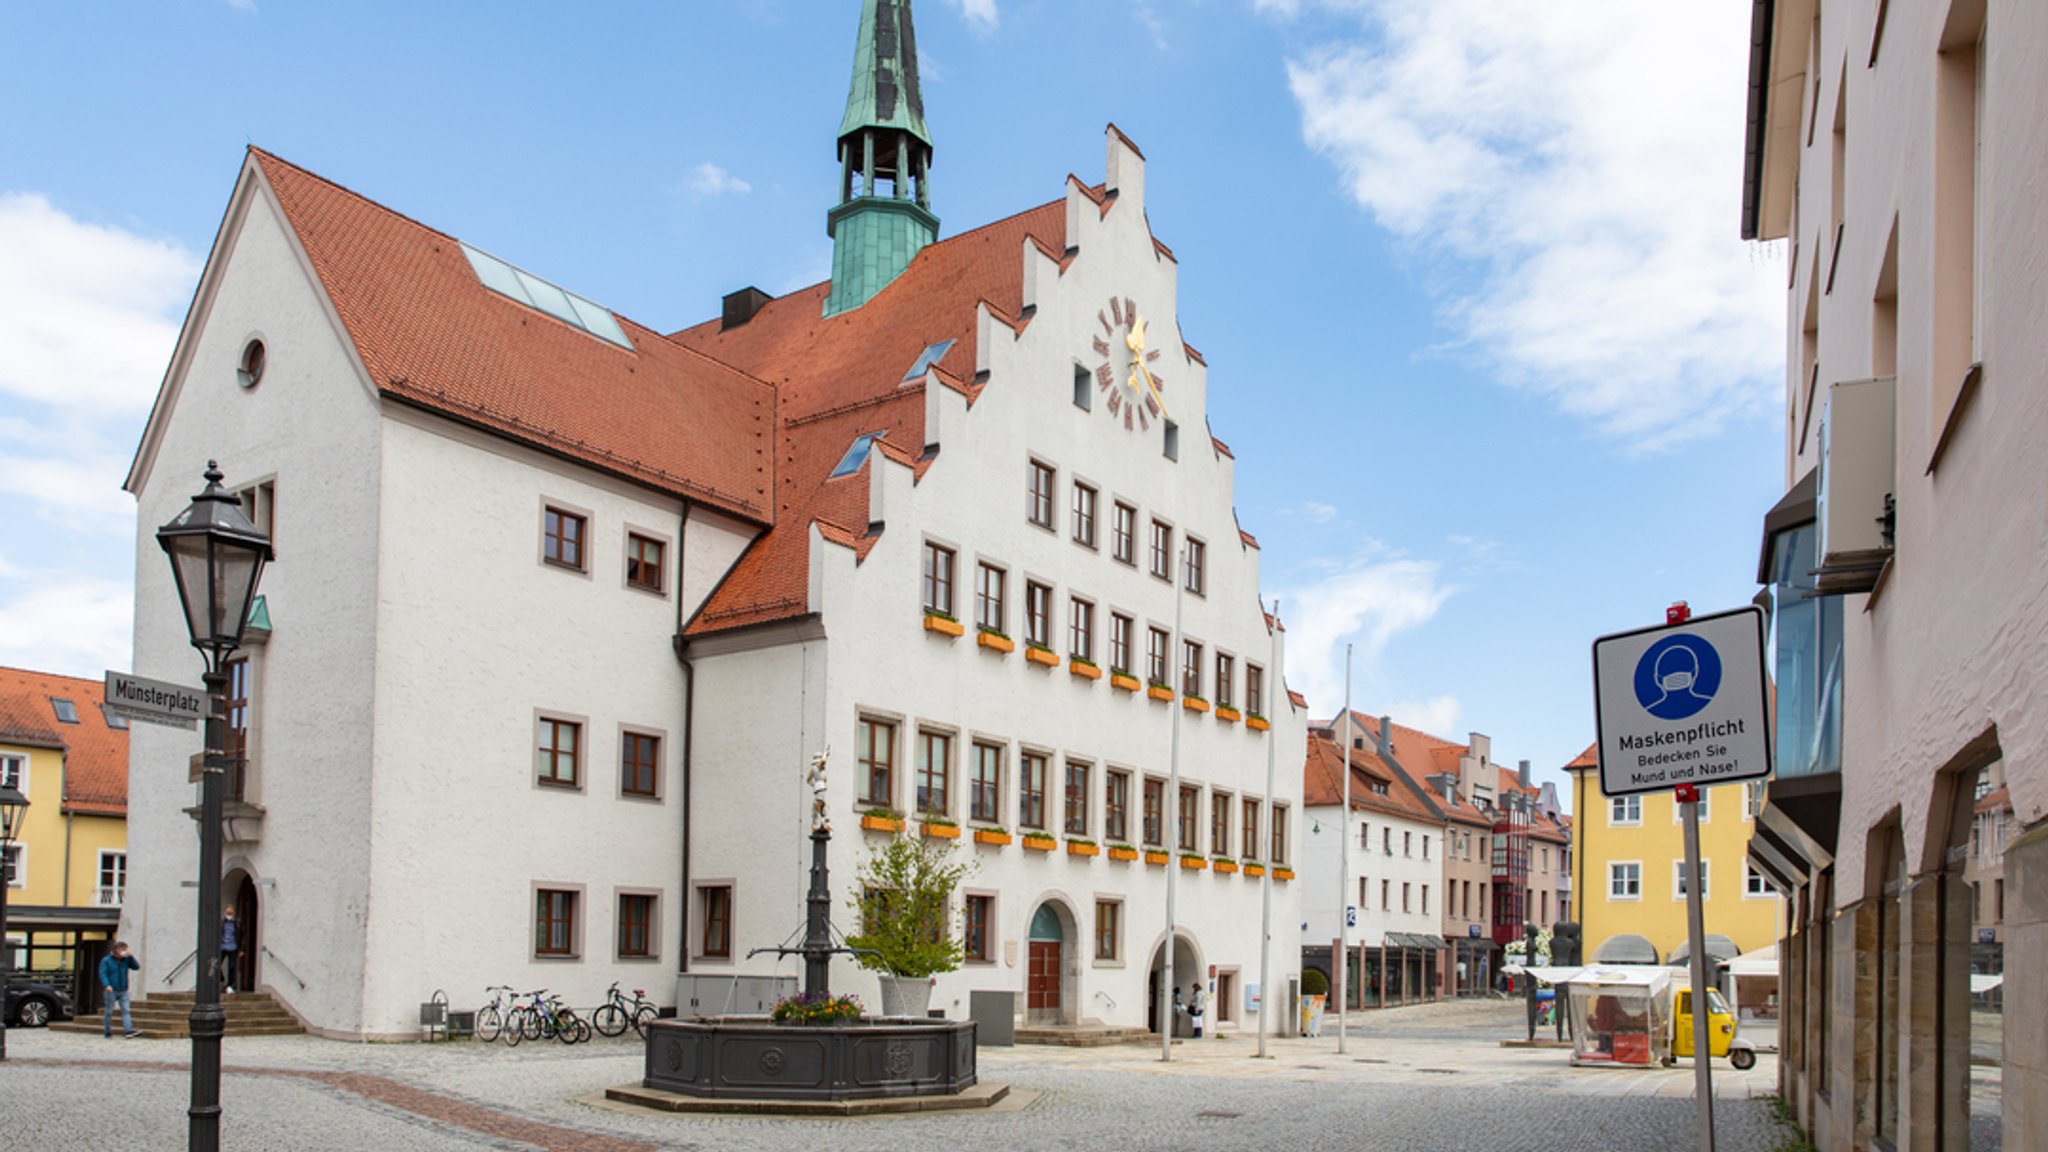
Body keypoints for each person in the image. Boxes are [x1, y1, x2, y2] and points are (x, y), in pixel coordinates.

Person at [100, 941, 141, 1038]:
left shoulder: (126, 960)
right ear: (116, 950)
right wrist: (107, 985)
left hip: (123, 989)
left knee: (126, 1010)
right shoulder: (106, 960)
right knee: (109, 1011)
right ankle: (107, 1031)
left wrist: (131, 957)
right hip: (111, 989)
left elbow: (136, 967)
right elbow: (103, 973)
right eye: (122, 950)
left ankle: (128, 1031)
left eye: (125, 950)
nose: (124, 952)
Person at [217, 906, 240, 993]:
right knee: (217, 963)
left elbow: (240, 935)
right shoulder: (222, 922)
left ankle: (230, 984)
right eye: (228, 912)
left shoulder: (237, 922)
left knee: (232, 966)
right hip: (223, 946)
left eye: (231, 912)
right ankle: (221, 979)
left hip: (233, 946)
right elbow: (219, 933)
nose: (229, 913)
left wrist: (241, 948)